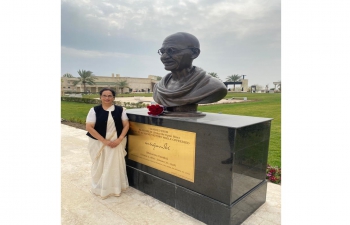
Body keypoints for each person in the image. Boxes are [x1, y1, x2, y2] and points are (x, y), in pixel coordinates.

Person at [153, 32, 227, 109]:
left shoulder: (213, 86)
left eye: (172, 51)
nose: (164, 57)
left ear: (194, 53)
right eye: (162, 52)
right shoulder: (159, 87)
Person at [85, 88, 130, 199]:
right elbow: (89, 127)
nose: (107, 98)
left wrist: (119, 139)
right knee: (100, 165)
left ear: (113, 97)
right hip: (99, 143)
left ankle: (115, 187)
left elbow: (126, 125)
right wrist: (104, 141)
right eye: (104, 95)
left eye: (110, 96)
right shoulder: (94, 110)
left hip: (116, 143)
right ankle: (100, 187)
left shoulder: (120, 110)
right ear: (100, 97)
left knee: (115, 165)